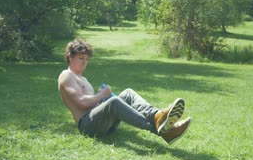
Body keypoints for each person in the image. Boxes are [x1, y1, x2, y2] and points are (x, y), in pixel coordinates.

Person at [57, 39, 192, 144]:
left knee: (127, 93)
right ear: (70, 57)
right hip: (87, 126)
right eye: (81, 58)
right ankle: (160, 129)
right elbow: (81, 103)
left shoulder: (83, 79)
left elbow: (91, 104)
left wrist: (102, 99)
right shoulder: (66, 75)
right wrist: (102, 95)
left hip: (100, 123)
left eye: (87, 59)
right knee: (114, 102)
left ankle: (157, 116)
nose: (85, 62)